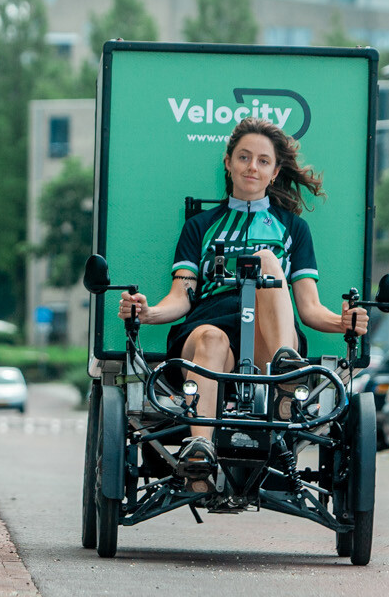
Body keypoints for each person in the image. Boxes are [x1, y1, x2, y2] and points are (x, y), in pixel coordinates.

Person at [116, 117, 367, 485]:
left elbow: (310, 309)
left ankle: (284, 374)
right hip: (208, 330)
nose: (253, 166)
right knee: (212, 338)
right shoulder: (200, 226)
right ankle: (199, 451)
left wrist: (345, 323)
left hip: (270, 344)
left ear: (275, 171)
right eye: (244, 157)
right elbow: (181, 296)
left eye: (263, 161)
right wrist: (147, 312)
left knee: (266, 259)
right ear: (229, 163)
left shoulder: (293, 228)